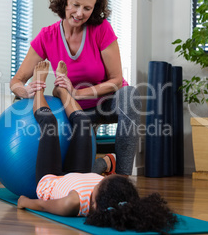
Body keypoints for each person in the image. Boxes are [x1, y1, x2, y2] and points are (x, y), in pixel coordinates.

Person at [17, 61, 177, 233]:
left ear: (94, 202)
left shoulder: (72, 203)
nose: (103, 180)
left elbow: (42, 205)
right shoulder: (112, 194)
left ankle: (39, 87)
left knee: (50, 123)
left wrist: (25, 202)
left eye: (103, 182)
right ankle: (62, 91)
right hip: (78, 173)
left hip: (50, 179)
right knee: (84, 122)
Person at [10, 0, 142, 176]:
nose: (80, 13)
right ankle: (106, 163)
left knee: (130, 96)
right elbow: (16, 81)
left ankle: (122, 178)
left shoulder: (101, 29)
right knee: (77, 175)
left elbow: (116, 81)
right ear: (64, 2)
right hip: (73, 110)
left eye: (87, 8)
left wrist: (78, 93)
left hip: (105, 103)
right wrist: (26, 91)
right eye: (75, 5)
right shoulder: (47, 36)